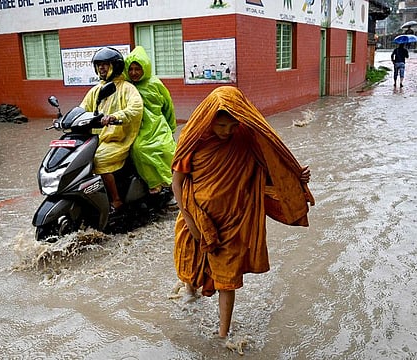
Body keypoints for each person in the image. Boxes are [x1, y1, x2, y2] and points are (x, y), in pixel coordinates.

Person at [171, 86, 315, 339]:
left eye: (231, 126)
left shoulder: (247, 138)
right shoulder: (193, 140)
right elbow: (177, 182)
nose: (226, 132)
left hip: (234, 219)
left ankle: (222, 334)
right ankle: (190, 296)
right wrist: (190, 219)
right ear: (208, 119)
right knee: (191, 265)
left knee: (227, 277)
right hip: (196, 215)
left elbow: (270, 167)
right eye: (221, 126)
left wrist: (295, 177)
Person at [80, 47, 143, 213]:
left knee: (98, 159)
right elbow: (82, 109)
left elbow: (136, 108)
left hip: (118, 139)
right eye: (99, 64)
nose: (101, 68)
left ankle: (116, 199)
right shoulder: (95, 90)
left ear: (115, 66)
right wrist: (65, 119)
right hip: (97, 139)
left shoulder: (126, 88)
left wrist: (115, 116)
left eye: (105, 64)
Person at [123, 46, 177, 195]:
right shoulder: (126, 86)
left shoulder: (155, 84)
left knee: (166, 149)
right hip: (137, 127)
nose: (134, 72)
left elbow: (168, 106)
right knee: (139, 149)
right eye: (131, 69)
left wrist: (171, 127)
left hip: (157, 124)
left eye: (137, 69)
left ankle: (173, 182)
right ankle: (154, 182)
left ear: (144, 68)